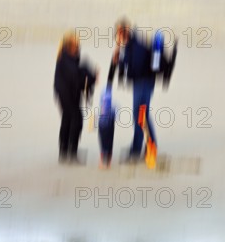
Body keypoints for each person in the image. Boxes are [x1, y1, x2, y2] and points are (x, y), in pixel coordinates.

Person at [107, 18, 159, 163]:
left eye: (118, 33)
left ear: (124, 31)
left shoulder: (136, 45)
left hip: (143, 84)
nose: (117, 37)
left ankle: (147, 149)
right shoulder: (131, 44)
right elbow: (133, 62)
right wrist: (121, 60)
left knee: (141, 116)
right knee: (140, 116)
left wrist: (123, 65)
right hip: (142, 83)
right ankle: (138, 149)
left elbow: (136, 67)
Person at [54, 32, 98, 164]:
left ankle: (64, 152)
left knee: (67, 120)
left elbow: (78, 75)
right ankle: (71, 154)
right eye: (76, 45)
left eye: (79, 45)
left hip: (64, 94)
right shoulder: (66, 59)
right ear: (69, 46)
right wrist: (92, 76)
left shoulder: (67, 57)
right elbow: (77, 78)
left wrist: (88, 75)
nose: (78, 47)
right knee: (76, 121)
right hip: (67, 95)